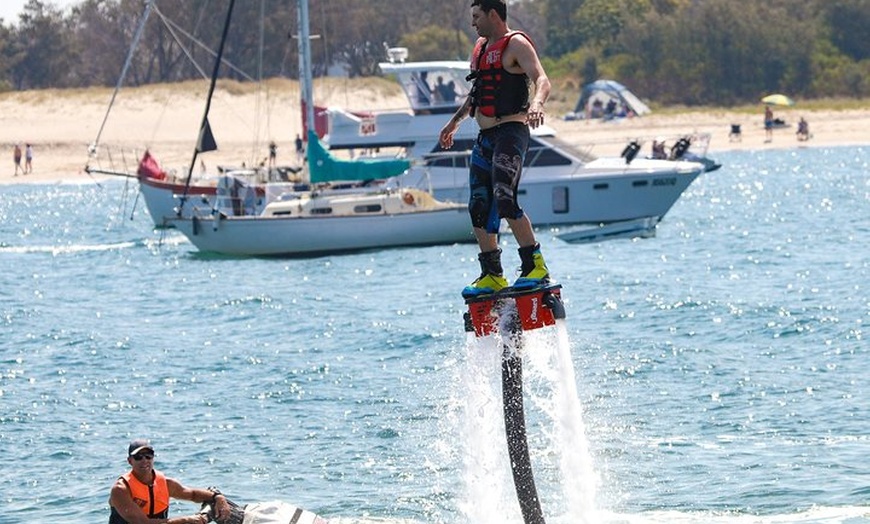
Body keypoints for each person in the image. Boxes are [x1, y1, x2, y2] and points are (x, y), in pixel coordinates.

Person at [439, 0, 551, 297]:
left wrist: (538, 104)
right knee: (478, 204)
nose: (473, 23)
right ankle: (492, 274)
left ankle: (534, 265)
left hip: (511, 132)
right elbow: (476, 95)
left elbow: (542, 79)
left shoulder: (515, 44)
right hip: (485, 137)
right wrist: (454, 123)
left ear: (492, 14)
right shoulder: (479, 49)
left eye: (477, 17)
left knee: (504, 194)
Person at [108, 438, 231, 524]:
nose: (144, 460)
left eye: (148, 456)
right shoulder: (121, 489)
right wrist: (187, 520)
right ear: (130, 461)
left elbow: (192, 494)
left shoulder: (165, 483)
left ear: (153, 458)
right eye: (138, 457)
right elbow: (142, 522)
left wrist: (217, 497)